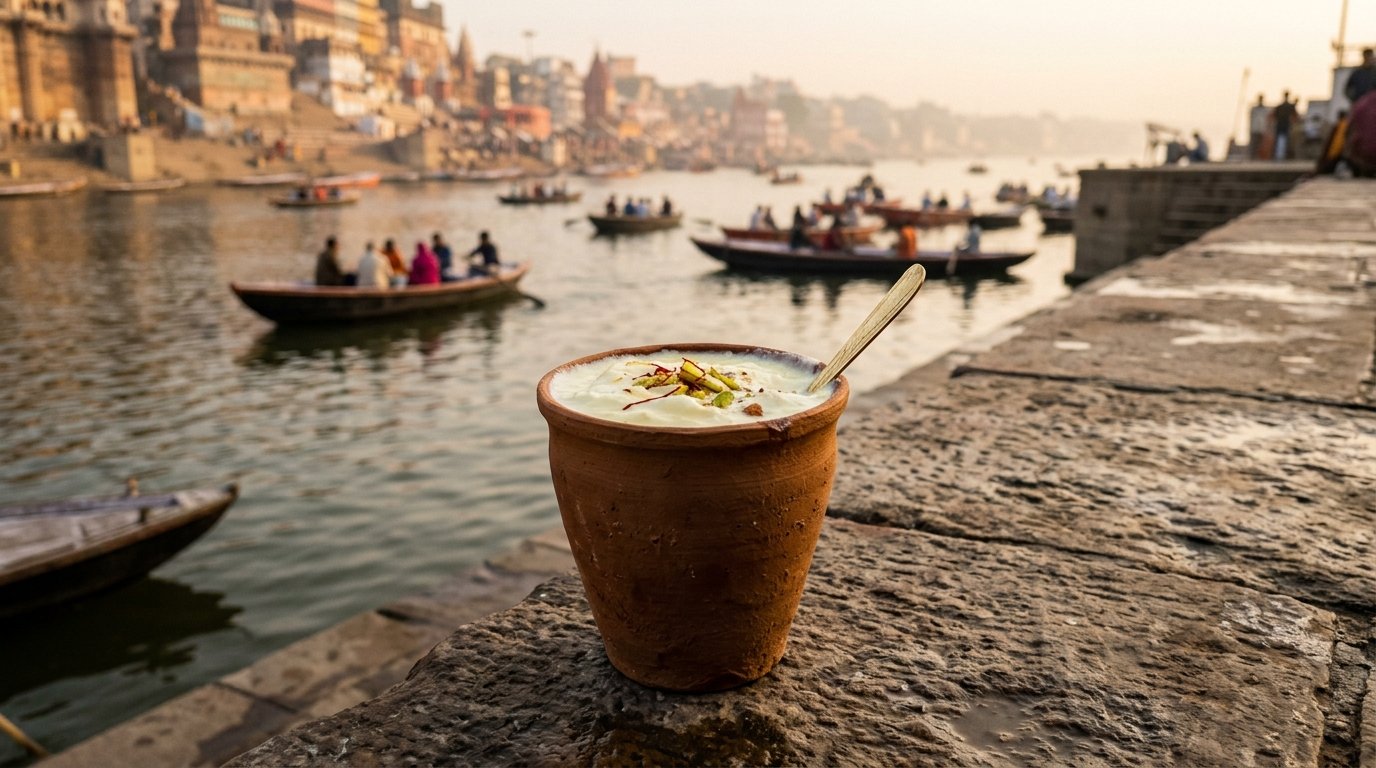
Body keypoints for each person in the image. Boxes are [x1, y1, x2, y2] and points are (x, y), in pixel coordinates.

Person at [1274, 90, 1298, 160]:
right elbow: (1295, 116)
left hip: (1282, 124)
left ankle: (1280, 156)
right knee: (1283, 140)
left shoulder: (1280, 106)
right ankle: (1281, 156)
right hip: (1284, 125)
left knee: (1281, 140)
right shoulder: (1288, 106)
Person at [1249, 95, 1269, 159]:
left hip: (1262, 129)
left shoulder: (1265, 110)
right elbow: (1251, 119)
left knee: (1260, 144)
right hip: (1255, 128)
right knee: (1254, 144)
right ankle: (1252, 157)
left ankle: (1258, 157)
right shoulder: (1254, 109)